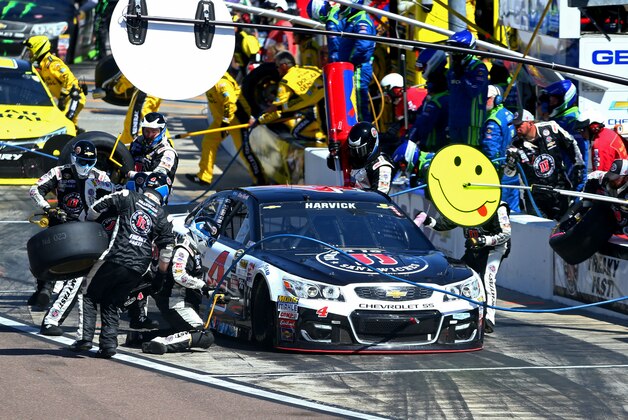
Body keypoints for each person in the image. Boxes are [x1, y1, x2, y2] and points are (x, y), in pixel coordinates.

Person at [71, 172, 175, 358]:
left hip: (114, 256)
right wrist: (161, 276)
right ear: (165, 192)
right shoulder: (163, 216)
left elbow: (96, 207)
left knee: (88, 294)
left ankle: (85, 339)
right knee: (112, 302)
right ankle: (109, 344)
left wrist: (88, 227)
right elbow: (167, 250)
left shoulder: (128, 195)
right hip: (138, 268)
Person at [28, 140, 115, 334]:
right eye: (82, 161)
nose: (86, 166)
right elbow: (35, 189)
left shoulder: (102, 177)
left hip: (89, 233)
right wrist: (48, 208)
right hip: (63, 227)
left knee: (83, 279)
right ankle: (45, 295)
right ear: (74, 158)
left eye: (90, 162)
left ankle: (54, 312)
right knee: (70, 275)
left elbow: (113, 201)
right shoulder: (59, 172)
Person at [414, 202, 512, 333]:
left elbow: (506, 234)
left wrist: (484, 240)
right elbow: (443, 224)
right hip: (473, 247)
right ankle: (456, 312)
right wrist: (427, 220)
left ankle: (488, 319)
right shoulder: (463, 203)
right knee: (459, 277)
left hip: (494, 249)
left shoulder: (498, 206)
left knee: (487, 278)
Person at [134, 223, 216, 354]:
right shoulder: (183, 249)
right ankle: (162, 343)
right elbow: (179, 275)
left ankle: (141, 338)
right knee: (204, 336)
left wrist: (210, 290)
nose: (208, 245)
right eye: (208, 241)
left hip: (179, 300)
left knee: (182, 331)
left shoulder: (192, 250)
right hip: (176, 302)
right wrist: (203, 286)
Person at [187, 62, 264, 186]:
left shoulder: (222, 83)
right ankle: (204, 176)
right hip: (222, 121)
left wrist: (225, 122)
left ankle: (260, 181)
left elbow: (230, 104)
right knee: (209, 142)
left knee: (245, 152)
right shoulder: (209, 82)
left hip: (236, 121)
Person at [505, 109, 584, 220]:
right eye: (515, 125)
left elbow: (571, 143)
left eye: (520, 124)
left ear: (530, 123)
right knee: (537, 230)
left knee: (562, 228)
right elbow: (509, 174)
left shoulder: (551, 128)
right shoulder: (514, 145)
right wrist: (511, 164)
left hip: (559, 190)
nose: (517, 128)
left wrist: (579, 166)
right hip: (534, 197)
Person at [256, 51, 326, 142]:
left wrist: (259, 121)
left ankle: (323, 140)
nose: (277, 69)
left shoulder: (285, 81)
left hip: (315, 112)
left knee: (296, 132)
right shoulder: (310, 69)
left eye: (277, 66)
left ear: (284, 66)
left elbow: (277, 108)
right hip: (330, 99)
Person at [326, 0, 376, 122]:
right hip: (351, 68)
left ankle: (367, 134)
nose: (340, 7)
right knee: (351, 103)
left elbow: (363, 45)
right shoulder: (351, 19)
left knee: (359, 103)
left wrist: (349, 62)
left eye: (343, 4)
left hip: (358, 67)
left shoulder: (361, 20)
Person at [23, 35, 86, 131]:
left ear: (37, 49)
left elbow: (68, 78)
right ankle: (78, 139)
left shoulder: (52, 63)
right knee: (69, 126)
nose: (29, 54)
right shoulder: (43, 66)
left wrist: (63, 95)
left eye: (30, 51)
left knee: (64, 124)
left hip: (74, 97)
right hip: (65, 100)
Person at [537, 80, 588, 191]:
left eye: (554, 100)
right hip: (557, 178)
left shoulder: (573, 121)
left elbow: (581, 157)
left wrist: (578, 187)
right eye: (550, 99)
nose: (550, 103)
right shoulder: (558, 119)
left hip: (570, 182)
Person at [445, 29, 489, 147]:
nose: (455, 54)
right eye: (453, 50)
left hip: (471, 123)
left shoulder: (479, 67)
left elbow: (474, 91)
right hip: (454, 122)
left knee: (470, 155)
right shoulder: (453, 69)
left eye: (458, 49)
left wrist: (463, 76)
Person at [481, 85, 519, 212]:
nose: (484, 102)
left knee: (499, 209)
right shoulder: (508, 114)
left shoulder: (493, 121)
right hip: (512, 168)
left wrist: (491, 171)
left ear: (497, 99)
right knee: (514, 208)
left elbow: (491, 149)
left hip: (500, 172)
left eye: (487, 99)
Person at [328, 121, 394, 195]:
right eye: (352, 149)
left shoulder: (382, 166)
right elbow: (333, 165)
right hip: (349, 198)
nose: (356, 154)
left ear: (370, 146)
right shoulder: (353, 156)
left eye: (360, 150)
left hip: (365, 204)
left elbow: (379, 197)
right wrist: (334, 153)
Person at [407, 48, 450, 153]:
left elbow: (424, 124)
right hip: (431, 145)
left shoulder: (443, 93)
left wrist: (408, 141)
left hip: (437, 147)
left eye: (423, 67)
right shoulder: (435, 85)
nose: (422, 71)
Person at [128, 112, 178, 196]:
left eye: (154, 132)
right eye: (147, 131)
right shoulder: (137, 142)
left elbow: (158, 176)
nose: (149, 135)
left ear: (162, 131)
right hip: (132, 186)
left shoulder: (168, 152)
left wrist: (132, 174)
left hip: (153, 193)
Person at [378, 72, 427, 155]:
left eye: (388, 91)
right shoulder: (402, 102)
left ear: (396, 89)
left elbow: (416, 119)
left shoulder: (409, 96)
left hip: (419, 138)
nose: (387, 95)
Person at [583, 159, 628, 235]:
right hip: (608, 218)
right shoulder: (605, 179)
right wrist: (586, 205)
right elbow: (592, 177)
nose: (611, 180)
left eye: (616, 178)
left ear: (626, 178)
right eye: (611, 176)